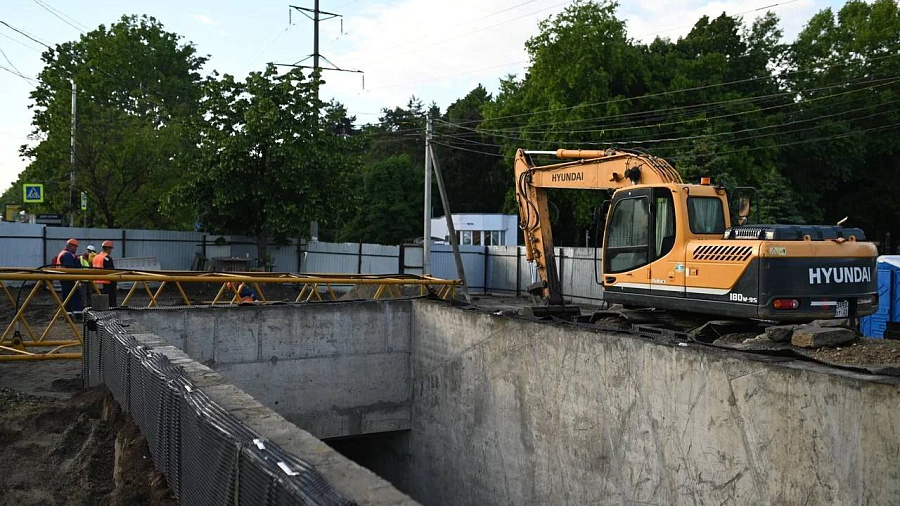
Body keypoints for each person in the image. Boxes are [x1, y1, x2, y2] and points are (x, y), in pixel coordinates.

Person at [54, 238, 84, 316]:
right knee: (73, 297)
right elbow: (71, 268)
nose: (76, 249)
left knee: (69, 298)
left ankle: (70, 314)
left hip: (66, 278)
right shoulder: (67, 255)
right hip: (68, 279)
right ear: (70, 246)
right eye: (75, 247)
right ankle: (75, 315)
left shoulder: (65, 254)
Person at [92, 240, 117, 307]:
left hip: (95, 283)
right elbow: (111, 272)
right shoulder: (107, 258)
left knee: (98, 302)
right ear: (108, 249)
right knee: (110, 303)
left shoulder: (95, 257)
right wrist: (115, 283)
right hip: (107, 283)